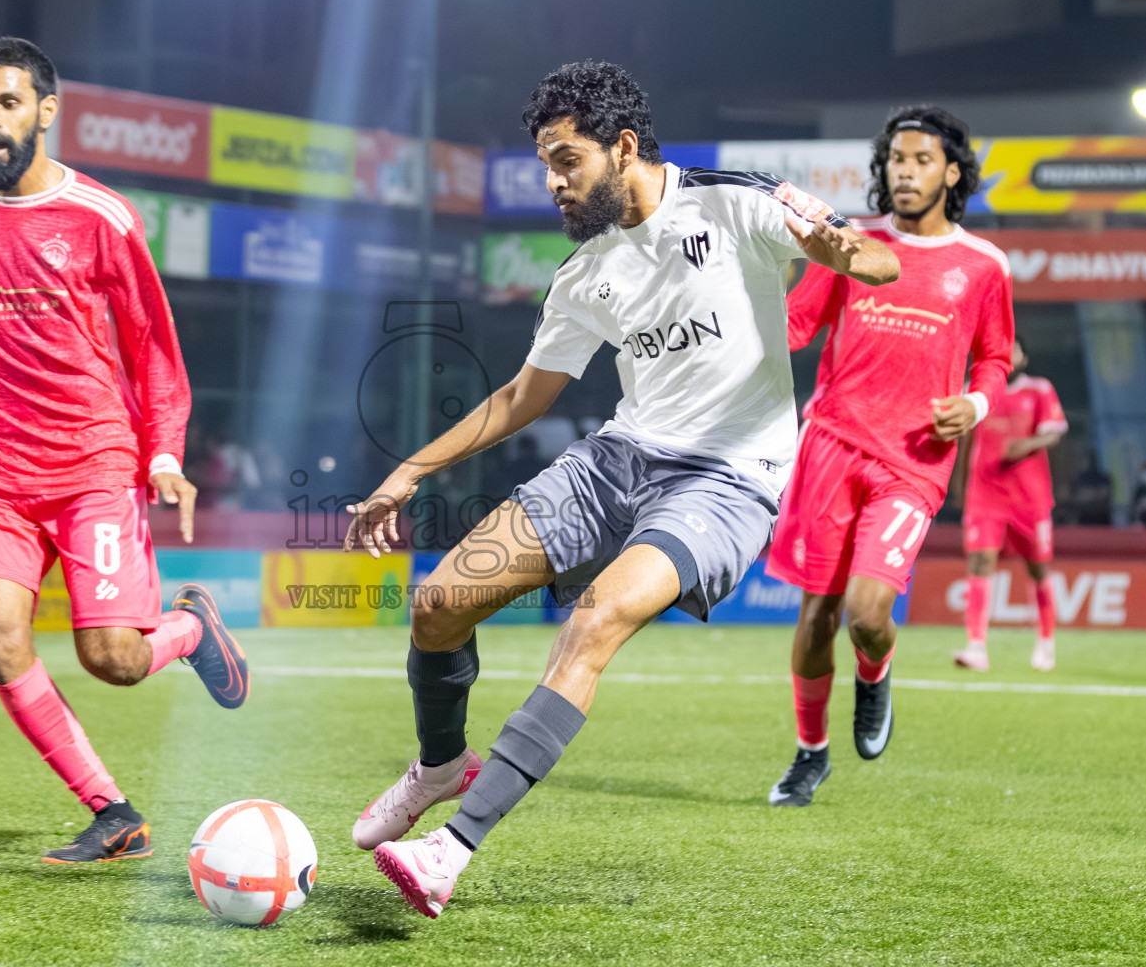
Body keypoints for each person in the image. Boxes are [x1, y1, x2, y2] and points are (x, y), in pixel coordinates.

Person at [342, 60, 899, 918]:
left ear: (624, 146)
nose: (553, 183)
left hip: (726, 481)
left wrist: (848, 252)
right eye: (545, 165)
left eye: (566, 161)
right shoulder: (585, 271)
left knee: (595, 618)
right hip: (619, 459)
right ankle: (441, 767)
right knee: (440, 602)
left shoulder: (734, 203)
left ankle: (452, 849)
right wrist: (409, 471)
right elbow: (521, 399)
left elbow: (876, 263)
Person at [0, 37, 248, 864]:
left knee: (113, 659)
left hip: (91, 467)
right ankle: (113, 813)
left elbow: (153, 345)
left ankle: (189, 630)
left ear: (45, 111)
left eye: (7, 103)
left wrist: (164, 455)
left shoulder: (101, 217)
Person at [764, 106, 1013, 807]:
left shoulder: (984, 266)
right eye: (897, 160)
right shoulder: (852, 245)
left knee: (869, 616)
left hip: (913, 461)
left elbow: (996, 358)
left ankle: (875, 675)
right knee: (817, 616)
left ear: (951, 173)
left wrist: (976, 405)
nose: (905, 172)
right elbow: (795, 327)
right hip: (831, 446)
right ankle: (810, 754)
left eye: (921, 160)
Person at [955, 336, 1067, 671]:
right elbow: (966, 440)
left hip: (1029, 498)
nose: (1008, 354)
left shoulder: (1039, 389)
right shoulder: (976, 391)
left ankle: (1046, 641)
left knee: (1038, 568)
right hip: (985, 493)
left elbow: (1054, 432)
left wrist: (1025, 446)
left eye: (1014, 349)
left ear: (1024, 358)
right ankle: (976, 646)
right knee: (980, 562)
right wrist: (961, 484)